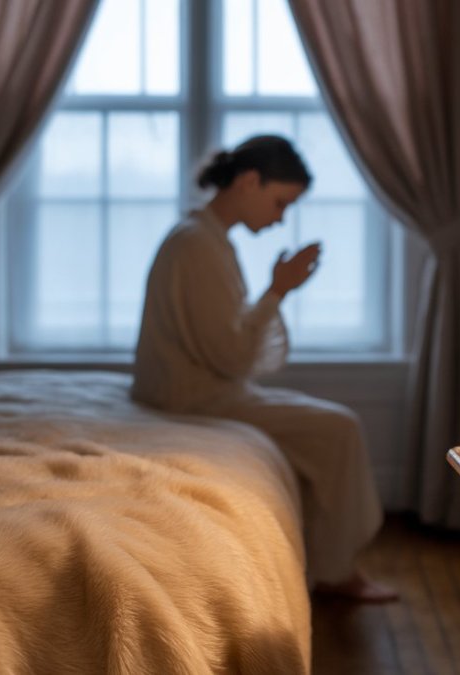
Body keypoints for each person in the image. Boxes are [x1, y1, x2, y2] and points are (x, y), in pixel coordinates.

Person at [131, 135, 397, 602]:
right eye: (279, 202)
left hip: (195, 388)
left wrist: (277, 289)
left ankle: (329, 564)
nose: (279, 218)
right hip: (191, 398)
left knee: (330, 428)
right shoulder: (196, 246)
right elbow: (230, 355)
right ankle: (336, 574)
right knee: (340, 428)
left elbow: (224, 345)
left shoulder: (203, 238)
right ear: (248, 182)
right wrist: (279, 290)